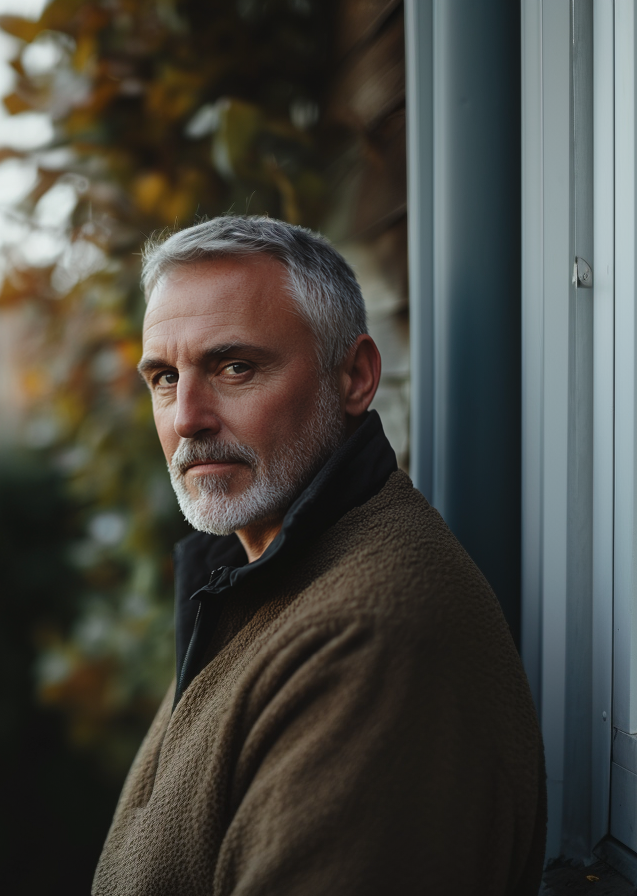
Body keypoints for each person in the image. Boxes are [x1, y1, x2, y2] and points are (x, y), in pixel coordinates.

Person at [92, 216, 546, 895]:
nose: (187, 416)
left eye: (234, 367)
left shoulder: (369, 640)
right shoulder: (253, 578)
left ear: (356, 377)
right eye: (163, 377)